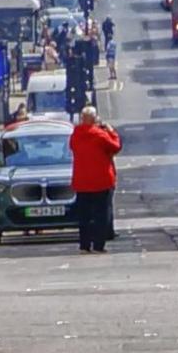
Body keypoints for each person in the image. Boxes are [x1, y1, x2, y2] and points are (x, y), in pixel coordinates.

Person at [69, 108, 123, 252]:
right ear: (94, 119)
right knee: (101, 215)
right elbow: (116, 147)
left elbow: (74, 148)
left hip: (81, 182)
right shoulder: (100, 135)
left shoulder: (75, 135)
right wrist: (111, 132)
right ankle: (99, 245)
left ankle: (84, 245)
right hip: (101, 181)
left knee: (84, 217)